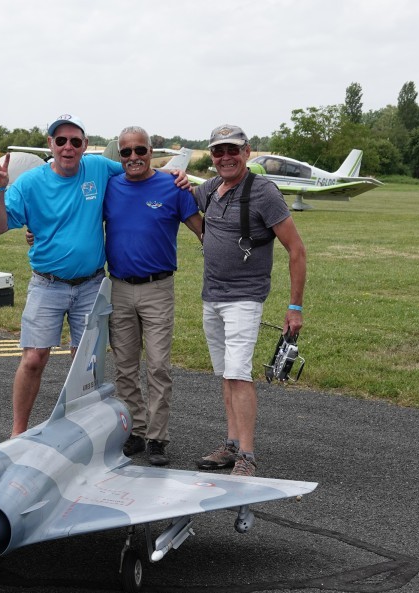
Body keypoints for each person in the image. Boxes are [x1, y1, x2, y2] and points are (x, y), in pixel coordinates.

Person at [0, 114, 124, 436]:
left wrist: (173, 176)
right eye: (61, 141)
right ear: (51, 144)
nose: (68, 147)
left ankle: (82, 431)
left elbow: (137, 173)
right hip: (47, 284)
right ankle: (18, 432)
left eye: (75, 141)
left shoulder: (99, 168)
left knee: (85, 364)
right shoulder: (30, 184)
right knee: (34, 358)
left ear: (85, 145)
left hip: (91, 284)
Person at [191, 124, 307, 476]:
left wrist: (295, 307)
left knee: (239, 373)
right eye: (218, 151)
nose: (225, 157)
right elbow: (179, 203)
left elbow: (296, 250)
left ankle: (247, 455)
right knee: (227, 374)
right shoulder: (211, 188)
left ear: (247, 152)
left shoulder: (264, 193)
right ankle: (231, 445)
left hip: (244, 298)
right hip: (212, 296)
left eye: (232, 150)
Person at [104, 126, 203, 466]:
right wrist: (35, 232)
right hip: (119, 287)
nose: (133, 157)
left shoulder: (173, 186)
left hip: (157, 288)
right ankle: (136, 431)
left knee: (158, 366)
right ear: (120, 155)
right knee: (125, 367)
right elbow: (78, 219)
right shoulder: (111, 186)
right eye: (126, 152)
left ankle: (158, 438)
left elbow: (203, 230)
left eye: (140, 150)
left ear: (151, 152)